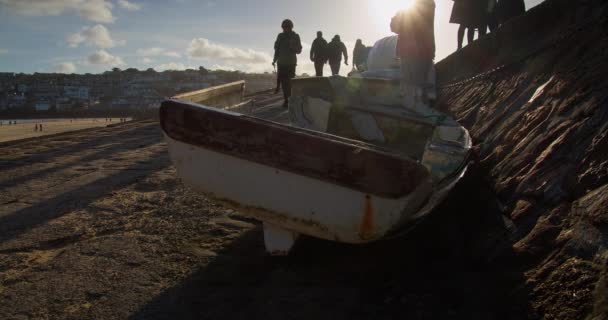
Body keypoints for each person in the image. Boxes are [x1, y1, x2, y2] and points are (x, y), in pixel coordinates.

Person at [391, 0, 436, 112]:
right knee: (417, 86)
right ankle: (421, 112)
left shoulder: (414, 7)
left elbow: (394, 26)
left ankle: (419, 114)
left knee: (413, 86)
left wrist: (398, 16)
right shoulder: (427, 4)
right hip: (421, 52)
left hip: (413, 52)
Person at [273, 19, 303, 108]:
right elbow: (276, 49)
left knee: (290, 83)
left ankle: (289, 100)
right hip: (281, 62)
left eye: (287, 27)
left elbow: (299, 50)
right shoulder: (280, 36)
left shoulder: (295, 36)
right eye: (284, 27)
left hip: (291, 63)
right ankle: (286, 100)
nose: (285, 29)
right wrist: (274, 60)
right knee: (283, 82)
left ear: (291, 27)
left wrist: (293, 46)